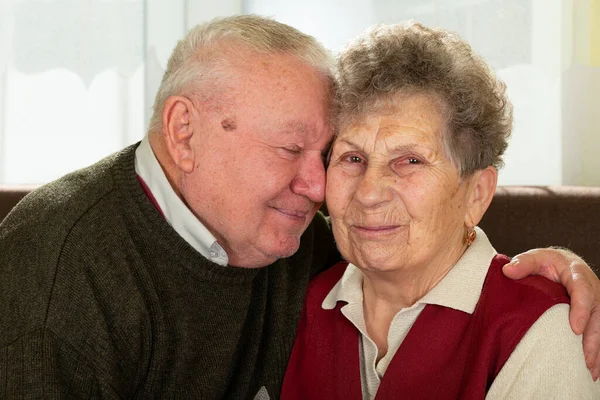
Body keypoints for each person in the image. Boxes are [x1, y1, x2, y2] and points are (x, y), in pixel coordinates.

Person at [0, 15, 598, 399]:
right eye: (346, 157)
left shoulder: (295, 243)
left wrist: (562, 269)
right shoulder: (56, 273)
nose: (324, 190)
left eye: (325, 153)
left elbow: (427, 249)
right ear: (184, 132)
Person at [281, 22, 600, 399]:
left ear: (476, 194)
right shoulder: (296, 297)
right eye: (352, 158)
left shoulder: (540, 326)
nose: (368, 194)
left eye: (410, 160)